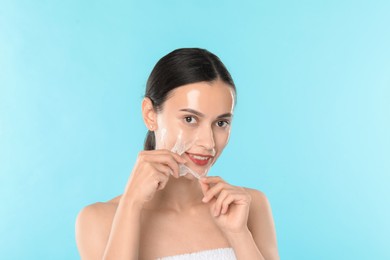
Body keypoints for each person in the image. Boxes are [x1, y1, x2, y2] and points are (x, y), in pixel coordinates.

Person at [75, 48, 279, 260]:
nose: (209, 142)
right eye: (190, 119)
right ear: (150, 114)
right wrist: (131, 205)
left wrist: (239, 235)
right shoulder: (98, 220)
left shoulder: (249, 206)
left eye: (221, 123)